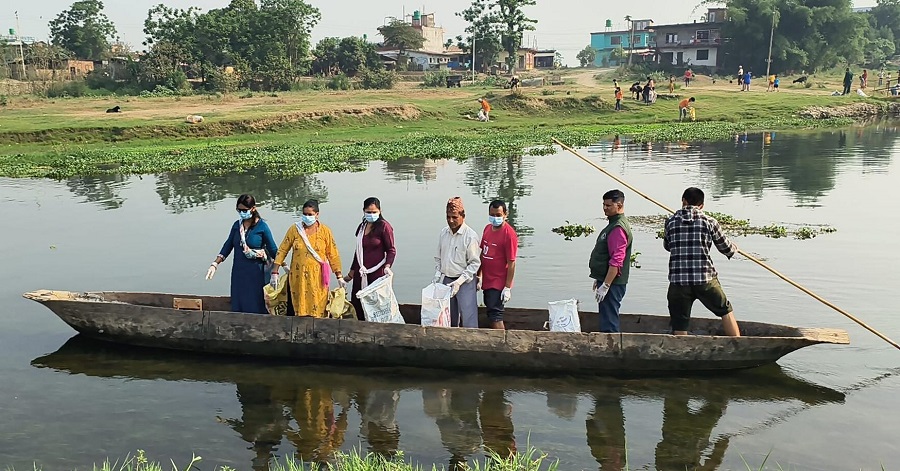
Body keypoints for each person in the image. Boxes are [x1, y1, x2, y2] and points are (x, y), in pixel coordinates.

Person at [663, 187, 741, 337]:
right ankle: (738, 343)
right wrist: (734, 248)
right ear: (702, 205)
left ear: (683, 201)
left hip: (679, 282)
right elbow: (726, 249)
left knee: (679, 321)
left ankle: (682, 351)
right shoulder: (709, 221)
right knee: (725, 310)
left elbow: (668, 246)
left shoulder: (670, 222)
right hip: (705, 280)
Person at [206, 194, 278, 314]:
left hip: (255, 273)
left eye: (245, 210)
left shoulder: (262, 227)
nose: (242, 213)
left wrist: (280, 269)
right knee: (239, 302)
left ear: (253, 208)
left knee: (255, 302)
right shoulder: (236, 226)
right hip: (239, 272)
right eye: (239, 210)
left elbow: (273, 250)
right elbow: (228, 245)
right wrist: (215, 263)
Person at [272, 199, 344, 317]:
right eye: (304, 214)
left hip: (317, 278)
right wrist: (275, 271)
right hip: (298, 276)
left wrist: (339, 276)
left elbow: (333, 254)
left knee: (318, 306)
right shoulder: (295, 230)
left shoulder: (325, 231)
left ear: (317, 215)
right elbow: (283, 249)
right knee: (298, 306)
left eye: (310, 214)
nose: (307, 217)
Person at [343, 197, 396, 321]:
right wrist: (351, 274)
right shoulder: (362, 227)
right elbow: (358, 251)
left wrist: (388, 266)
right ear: (363, 211)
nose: (371, 214)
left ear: (380, 211)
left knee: (376, 304)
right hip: (361, 272)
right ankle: (359, 327)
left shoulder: (384, 227)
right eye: (368, 212)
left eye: (374, 212)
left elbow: (391, 250)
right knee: (357, 301)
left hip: (376, 273)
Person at [589, 189, 633, 333]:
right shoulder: (612, 225)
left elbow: (616, 261)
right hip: (607, 279)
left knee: (609, 320)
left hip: (614, 283)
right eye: (604, 205)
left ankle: (611, 348)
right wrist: (600, 278)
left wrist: (606, 285)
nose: (605, 208)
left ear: (619, 205)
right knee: (606, 316)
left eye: (608, 205)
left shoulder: (618, 228)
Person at [434, 197, 481, 328]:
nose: (451, 221)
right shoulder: (444, 233)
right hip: (447, 280)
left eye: (454, 217)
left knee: (468, 316)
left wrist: (460, 282)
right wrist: (438, 273)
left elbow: (474, 263)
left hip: (464, 281)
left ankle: (471, 343)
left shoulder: (470, 236)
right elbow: (438, 257)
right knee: (449, 316)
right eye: (448, 217)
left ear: (463, 215)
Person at [479, 200, 518, 330]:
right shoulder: (487, 229)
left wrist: (507, 288)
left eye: (498, 215)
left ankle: (500, 341)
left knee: (495, 314)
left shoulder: (509, 234)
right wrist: (478, 275)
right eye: (492, 214)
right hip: (487, 280)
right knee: (490, 309)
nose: (495, 218)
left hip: (498, 282)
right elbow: (482, 254)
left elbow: (511, 263)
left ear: (505, 214)